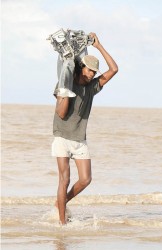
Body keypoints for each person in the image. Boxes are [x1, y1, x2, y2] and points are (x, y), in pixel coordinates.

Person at [52, 32, 118, 224]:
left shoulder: (92, 87)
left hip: (79, 139)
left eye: (94, 72)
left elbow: (114, 69)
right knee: (64, 179)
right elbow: (62, 115)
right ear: (82, 68)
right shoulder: (69, 79)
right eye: (89, 70)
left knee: (85, 179)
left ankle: (60, 202)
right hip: (62, 136)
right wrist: (67, 82)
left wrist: (99, 45)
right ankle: (62, 223)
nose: (91, 74)